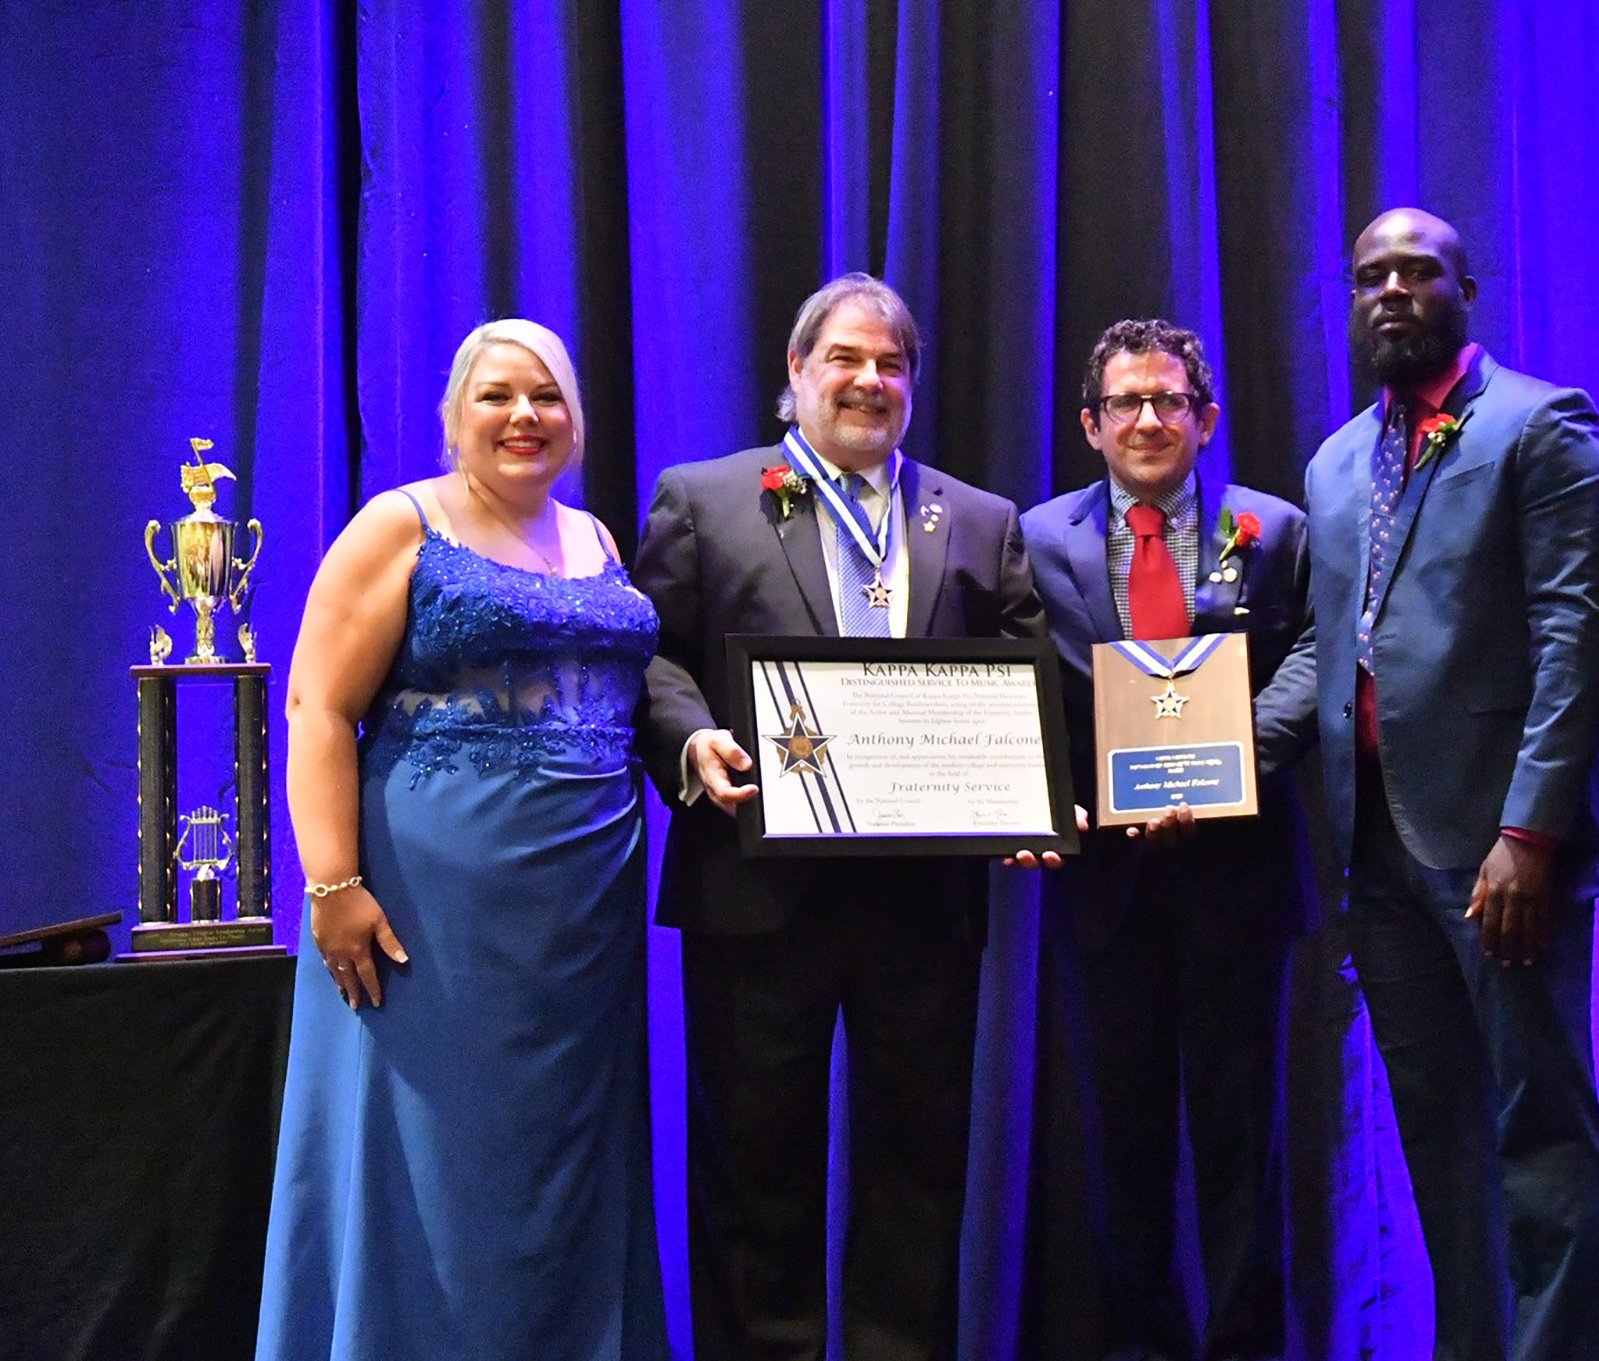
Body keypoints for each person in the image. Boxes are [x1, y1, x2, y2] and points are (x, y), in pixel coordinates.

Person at [632, 273, 1046, 1361]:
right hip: (756, 892)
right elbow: (648, 658)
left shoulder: (979, 519)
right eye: (846, 360)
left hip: (923, 900)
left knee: (918, 1165)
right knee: (753, 1171)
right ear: (795, 374)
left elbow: (1024, 673)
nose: (870, 380)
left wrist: (1026, 790)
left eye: (891, 363)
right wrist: (688, 739)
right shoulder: (704, 499)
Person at [257, 319, 668, 1359]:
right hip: (429, 917)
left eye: (547, 397)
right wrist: (332, 882)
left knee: (562, 1166)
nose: (524, 415)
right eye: (497, 396)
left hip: (581, 926)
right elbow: (316, 706)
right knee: (436, 1161)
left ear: (575, 421)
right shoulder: (400, 526)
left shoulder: (599, 541)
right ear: (455, 417)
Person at [1254, 209, 1599, 1361]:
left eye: (1420, 271)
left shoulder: (1540, 423)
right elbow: (1330, 644)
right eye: (1373, 276)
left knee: (1539, 1132)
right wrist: (1220, 765)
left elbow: (1577, 633)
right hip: (1376, 852)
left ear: (1469, 287)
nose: (1395, 290)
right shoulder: (1333, 459)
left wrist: (1531, 829)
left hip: (1499, 848)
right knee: (1443, 1144)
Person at [1018, 320, 1311, 1361]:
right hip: (1103, 886)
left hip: (1240, 880)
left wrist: (1237, 756)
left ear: (1206, 417)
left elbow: (1317, 658)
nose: (1150, 419)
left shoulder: (1270, 528)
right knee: (1120, 1151)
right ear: (1091, 424)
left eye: (1171, 401)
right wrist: (1056, 801)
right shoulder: (1036, 536)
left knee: (1245, 1150)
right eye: (1127, 403)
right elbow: (1022, 687)